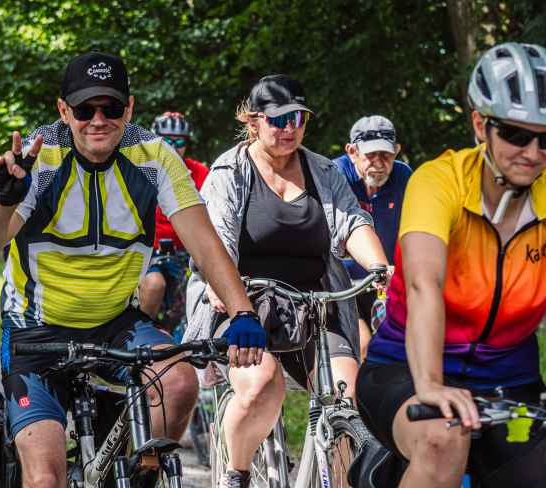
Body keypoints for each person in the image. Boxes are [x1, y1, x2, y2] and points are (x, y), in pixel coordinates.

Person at [0, 51, 265, 488]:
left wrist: (242, 312)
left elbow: (204, 243)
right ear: (63, 110)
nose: (98, 120)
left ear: (129, 108)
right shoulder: (39, 157)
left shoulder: (153, 156)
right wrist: (4, 201)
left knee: (180, 382)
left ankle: (139, 476)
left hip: (116, 323)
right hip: (37, 328)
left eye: (110, 108)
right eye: (84, 109)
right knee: (45, 479)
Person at [356, 43, 546, 488]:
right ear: (481, 125)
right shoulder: (438, 180)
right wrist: (430, 383)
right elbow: (423, 284)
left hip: (509, 382)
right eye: (516, 134)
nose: (533, 152)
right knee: (442, 439)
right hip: (404, 369)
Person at [185, 74, 390, 488]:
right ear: (254, 122)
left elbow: (351, 224)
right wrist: (225, 292)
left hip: (313, 304)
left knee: (347, 398)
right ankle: (236, 472)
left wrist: (382, 273)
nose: (289, 128)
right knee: (261, 385)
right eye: (279, 120)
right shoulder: (229, 171)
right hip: (243, 304)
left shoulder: (323, 171)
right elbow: (216, 245)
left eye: (298, 118)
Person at [334, 115, 412, 358]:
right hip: (343, 284)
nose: (379, 163)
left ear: (396, 151)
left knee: (396, 343)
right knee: (363, 345)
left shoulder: (403, 176)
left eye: (386, 155)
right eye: (371, 155)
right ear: (352, 152)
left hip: (385, 282)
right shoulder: (334, 174)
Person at [138, 112, 209, 319]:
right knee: (154, 285)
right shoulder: (141, 170)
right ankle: (141, 329)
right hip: (149, 252)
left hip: (189, 252)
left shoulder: (199, 172)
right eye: (167, 141)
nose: (173, 147)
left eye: (179, 142)